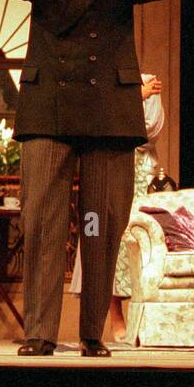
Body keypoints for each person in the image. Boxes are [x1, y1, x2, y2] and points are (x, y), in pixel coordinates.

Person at [0, 0, 170, 356]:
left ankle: (92, 333)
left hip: (110, 110)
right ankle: (40, 333)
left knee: (104, 222)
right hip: (49, 109)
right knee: (42, 221)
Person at [67, 73, 165, 342]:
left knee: (137, 240)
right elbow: (96, 124)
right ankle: (113, 317)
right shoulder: (97, 82)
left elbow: (149, 133)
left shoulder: (147, 79)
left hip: (140, 175)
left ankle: (140, 316)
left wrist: (129, 103)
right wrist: (135, 99)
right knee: (105, 238)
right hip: (104, 165)